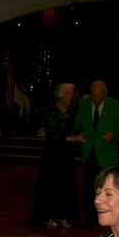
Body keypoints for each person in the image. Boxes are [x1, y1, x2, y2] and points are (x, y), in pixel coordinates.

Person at [71, 81, 119, 227]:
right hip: (89, 151)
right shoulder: (84, 104)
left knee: (109, 189)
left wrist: (113, 136)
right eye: (94, 96)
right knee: (88, 188)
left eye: (99, 96)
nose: (96, 99)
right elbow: (76, 122)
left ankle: (110, 219)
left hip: (106, 154)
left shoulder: (115, 105)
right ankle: (89, 220)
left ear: (105, 93)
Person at [33, 83, 80, 228]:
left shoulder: (72, 110)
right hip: (52, 153)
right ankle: (45, 216)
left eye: (71, 93)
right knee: (49, 184)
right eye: (67, 93)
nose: (70, 96)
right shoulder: (51, 111)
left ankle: (62, 216)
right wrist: (71, 138)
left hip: (66, 153)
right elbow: (54, 133)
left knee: (65, 184)